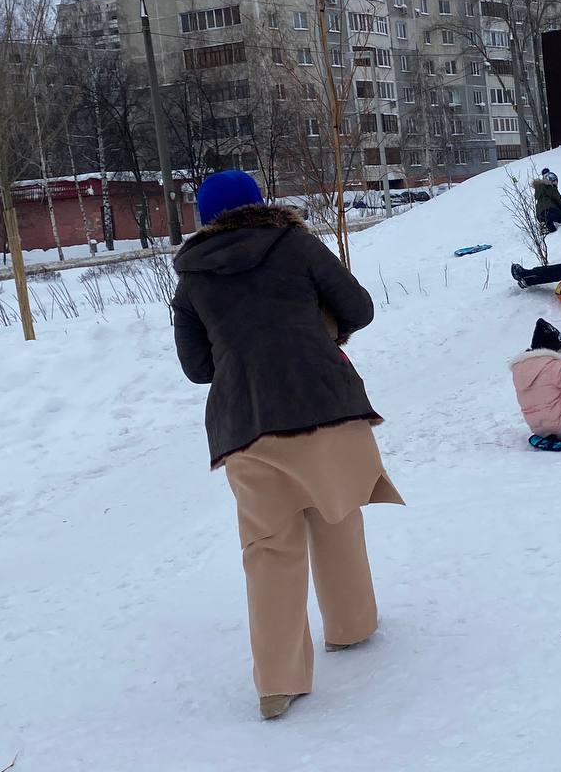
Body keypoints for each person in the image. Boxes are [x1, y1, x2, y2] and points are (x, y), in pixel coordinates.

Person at [171, 170, 403, 721]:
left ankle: (277, 684)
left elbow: (198, 368)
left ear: (206, 219)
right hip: (324, 403)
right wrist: (318, 329)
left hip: (246, 424)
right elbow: (360, 308)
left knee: (269, 550)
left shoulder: (191, 280)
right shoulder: (295, 245)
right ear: (260, 205)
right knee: (337, 509)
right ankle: (351, 627)